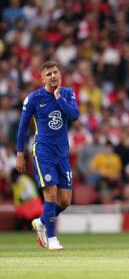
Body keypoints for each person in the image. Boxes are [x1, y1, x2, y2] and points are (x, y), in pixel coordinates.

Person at [16, 60, 80, 250]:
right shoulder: (34, 99)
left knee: (65, 201)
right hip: (43, 151)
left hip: (62, 153)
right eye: (49, 74)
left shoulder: (67, 93)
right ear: (42, 78)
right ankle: (51, 238)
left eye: (55, 72)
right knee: (50, 193)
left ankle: (42, 222)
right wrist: (20, 153)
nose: (53, 76)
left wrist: (59, 98)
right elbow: (21, 128)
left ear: (60, 74)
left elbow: (74, 115)